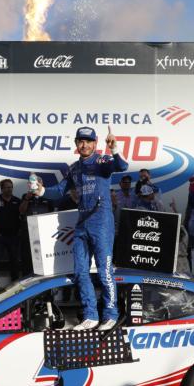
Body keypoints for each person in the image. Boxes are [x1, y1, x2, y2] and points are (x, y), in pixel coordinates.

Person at [35, 125, 128, 331]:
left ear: (95, 143)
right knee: (80, 272)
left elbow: (121, 166)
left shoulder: (102, 161)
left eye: (88, 141)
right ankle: (90, 316)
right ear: (76, 144)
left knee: (104, 272)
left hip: (101, 222)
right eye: (80, 141)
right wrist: (40, 190)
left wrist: (114, 149)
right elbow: (58, 191)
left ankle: (111, 314)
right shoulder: (74, 168)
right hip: (82, 223)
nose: (84, 144)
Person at [0, 179, 22, 288]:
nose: (9, 189)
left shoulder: (17, 201)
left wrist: (19, 232)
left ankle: (15, 288)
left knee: (14, 263)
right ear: (1, 189)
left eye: (10, 187)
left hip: (14, 237)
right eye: (6, 187)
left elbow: (22, 217)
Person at [19, 177, 54, 276]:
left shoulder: (48, 196)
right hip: (28, 233)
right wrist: (27, 198)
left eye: (36, 183)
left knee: (43, 258)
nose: (34, 185)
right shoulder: (25, 196)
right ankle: (27, 283)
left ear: (41, 184)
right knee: (27, 259)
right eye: (31, 184)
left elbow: (52, 214)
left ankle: (44, 286)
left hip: (43, 233)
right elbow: (21, 211)